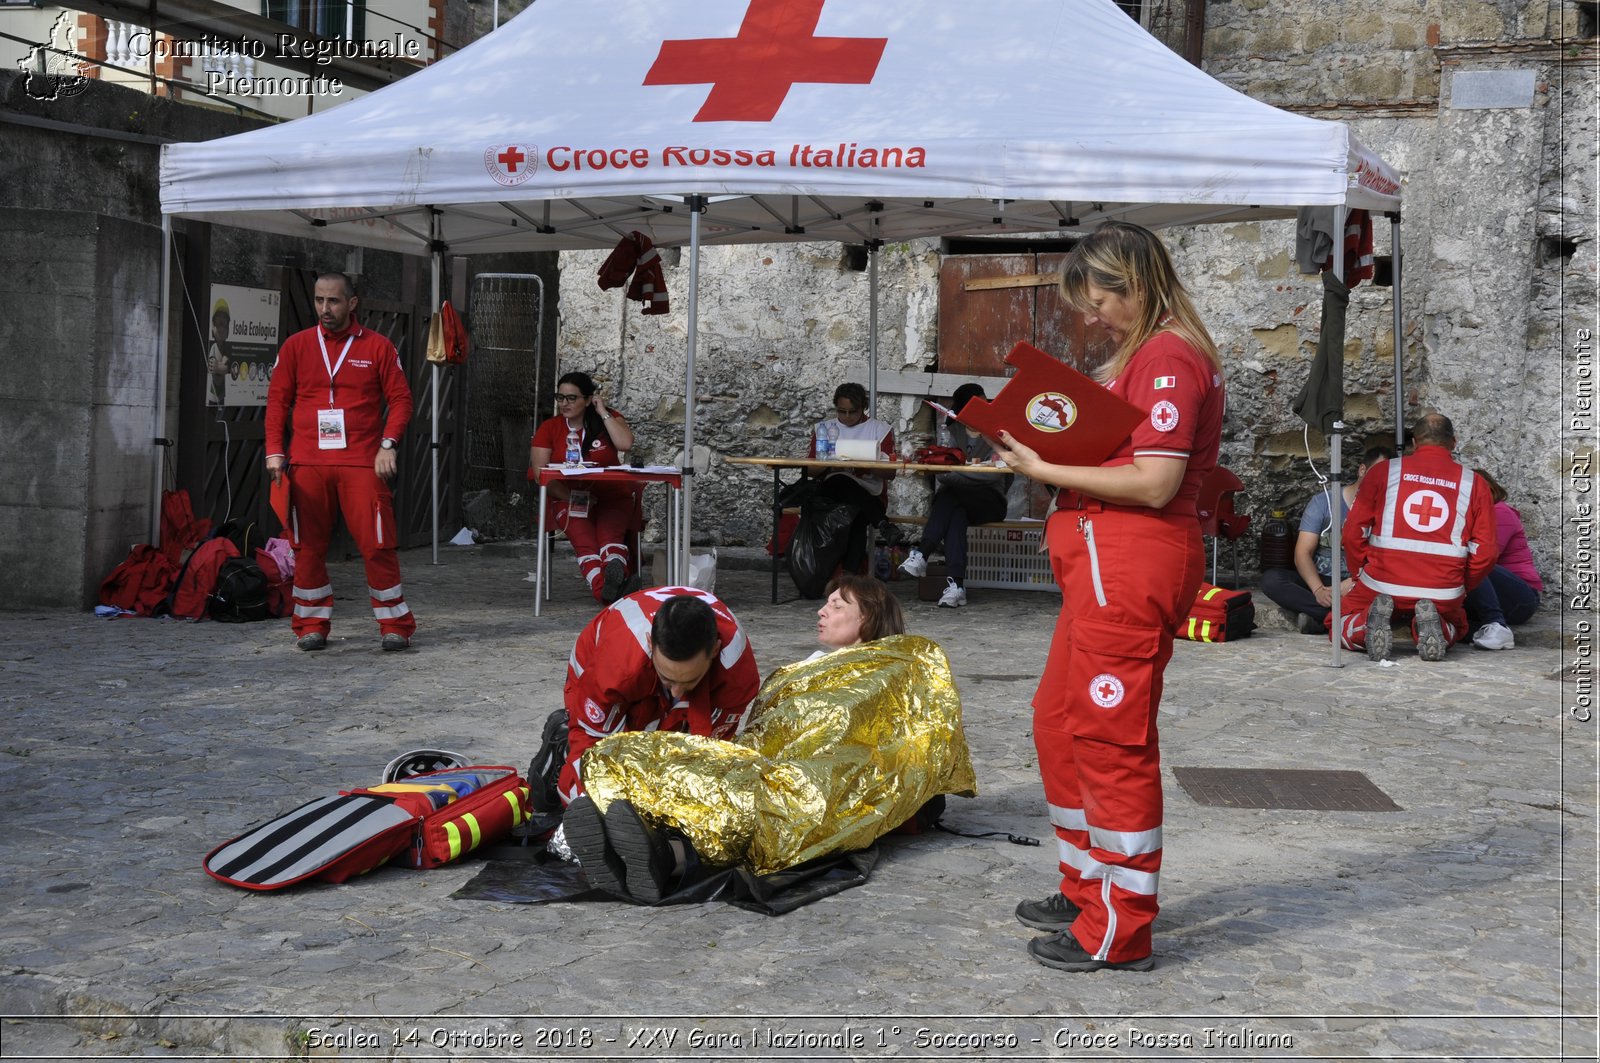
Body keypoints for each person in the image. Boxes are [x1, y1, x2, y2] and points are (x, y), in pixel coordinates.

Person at [988, 221, 1224, 974]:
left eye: (1097, 302)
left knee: (1110, 738)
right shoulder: (1146, 353)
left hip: (1127, 564)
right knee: (1060, 721)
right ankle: (1089, 884)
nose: (1090, 318)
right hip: (1100, 562)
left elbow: (1155, 482)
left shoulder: (1167, 358)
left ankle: (1118, 926)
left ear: (1135, 285)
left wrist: (1048, 464)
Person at [565, 574, 975, 903]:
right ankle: (636, 830)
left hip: (823, 773)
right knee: (651, 759)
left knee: (773, 807)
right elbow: (757, 734)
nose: (822, 610)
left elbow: (900, 736)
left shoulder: (892, 667)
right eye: (825, 601)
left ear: (869, 617)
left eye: (837, 604)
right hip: (771, 760)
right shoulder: (803, 670)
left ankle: (666, 854)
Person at [264, 272, 416, 652]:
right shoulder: (297, 346)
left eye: (332, 301)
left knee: (377, 544)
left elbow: (401, 400)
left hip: (363, 461)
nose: (324, 309)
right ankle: (311, 624)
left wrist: (388, 444)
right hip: (306, 462)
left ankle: (394, 624)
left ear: (352, 303)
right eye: (318, 300)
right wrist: (274, 452)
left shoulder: (379, 347)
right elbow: (277, 402)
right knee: (306, 547)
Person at [555, 587, 761, 812]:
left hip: (663, 673)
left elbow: (708, 752)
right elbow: (591, 743)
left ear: (715, 651)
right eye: (667, 678)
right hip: (601, 666)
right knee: (592, 787)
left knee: (692, 768)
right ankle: (558, 749)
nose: (676, 693)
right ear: (650, 645)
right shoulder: (617, 664)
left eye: (690, 681)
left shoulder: (737, 673)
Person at [1337, 412, 1497, 662]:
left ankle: (1364, 626)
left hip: (1381, 584)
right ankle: (1439, 628)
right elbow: (1486, 552)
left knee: (1340, 619)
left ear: (1413, 442)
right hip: (1442, 590)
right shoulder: (1475, 484)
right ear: (1454, 443)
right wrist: (1462, 586)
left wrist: (1360, 572)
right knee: (1457, 623)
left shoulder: (1383, 473)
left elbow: (1352, 533)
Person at [529, 371, 641, 604]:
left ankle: (613, 575)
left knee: (609, 537)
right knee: (586, 543)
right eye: (560, 398)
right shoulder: (550, 428)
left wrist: (603, 412)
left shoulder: (606, 419)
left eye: (571, 398)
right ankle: (610, 591)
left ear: (588, 399)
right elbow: (540, 473)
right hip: (569, 498)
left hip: (612, 496)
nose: (564, 404)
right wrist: (571, 497)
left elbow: (625, 444)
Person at [899, 383, 1012, 607]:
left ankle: (922, 552)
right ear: (964, 409)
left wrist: (957, 474)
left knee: (950, 494)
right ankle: (956, 586)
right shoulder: (953, 430)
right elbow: (942, 470)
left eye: (985, 403)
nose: (984, 408)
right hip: (960, 501)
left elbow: (993, 477)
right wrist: (961, 474)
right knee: (956, 513)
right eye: (976, 404)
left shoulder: (998, 433)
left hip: (990, 501)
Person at [1260, 445, 1393, 634]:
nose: (1380, 480)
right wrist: (1318, 590)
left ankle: (1320, 618)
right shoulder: (1324, 502)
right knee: (1272, 580)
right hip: (1319, 579)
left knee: (1389, 592)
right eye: (1376, 472)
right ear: (1362, 470)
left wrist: (1349, 585)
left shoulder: (1387, 511)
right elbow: (1302, 553)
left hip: (1357, 582)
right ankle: (1338, 618)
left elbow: (1383, 560)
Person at [810, 382, 895, 576]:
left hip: (868, 494)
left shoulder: (880, 430)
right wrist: (832, 460)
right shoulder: (824, 429)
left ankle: (843, 575)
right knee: (840, 480)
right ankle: (881, 524)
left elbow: (890, 474)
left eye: (852, 412)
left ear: (863, 408)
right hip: (831, 494)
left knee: (854, 513)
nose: (846, 417)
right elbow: (811, 471)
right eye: (842, 412)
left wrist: (863, 463)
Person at [1462, 468, 1542, 650]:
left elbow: (1487, 556)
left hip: (1521, 599)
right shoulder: (1470, 517)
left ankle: (1496, 624)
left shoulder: (1499, 512)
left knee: (1475, 559)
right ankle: (1463, 629)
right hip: (1486, 594)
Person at [206, 299, 231, 406]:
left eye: (224, 324)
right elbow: (213, 367)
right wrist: (220, 368)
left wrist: (223, 368)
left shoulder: (227, 349)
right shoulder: (213, 348)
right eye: (218, 324)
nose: (221, 329)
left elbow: (228, 365)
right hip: (213, 395)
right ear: (213, 326)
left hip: (222, 395)